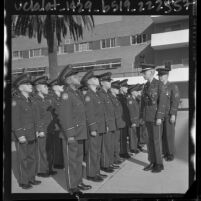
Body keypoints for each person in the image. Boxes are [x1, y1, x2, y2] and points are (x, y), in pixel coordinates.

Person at [57, 65, 92, 195]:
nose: (79, 78)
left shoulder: (76, 93)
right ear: (69, 80)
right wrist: (70, 135)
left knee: (78, 160)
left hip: (80, 133)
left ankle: (78, 182)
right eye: (76, 76)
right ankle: (72, 187)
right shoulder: (66, 95)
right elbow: (64, 117)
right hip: (71, 135)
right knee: (71, 161)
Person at [12, 73, 41, 189]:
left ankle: (31, 178)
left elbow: (36, 117)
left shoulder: (31, 100)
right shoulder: (16, 101)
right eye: (27, 84)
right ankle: (23, 181)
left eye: (30, 84)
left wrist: (38, 130)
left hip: (32, 133)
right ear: (20, 87)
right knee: (23, 159)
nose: (30, 86)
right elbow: (15, 119)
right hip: (23, 135)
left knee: (32, 157)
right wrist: (20, 135)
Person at [140, 63, 167, 173]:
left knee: (156, 140)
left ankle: (159, 163)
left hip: (156, 117)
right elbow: (143, 103)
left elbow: (162, 102)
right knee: (149, 141)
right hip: (147, 117)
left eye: (144, 72)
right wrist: (142, 116)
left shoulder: (159, 84)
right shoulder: (145, 86)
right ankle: (152, 161)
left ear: (151, 72)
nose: (143, 75)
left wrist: (159, 116)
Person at [81, 70, 108, 182]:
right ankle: (91, 174)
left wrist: (105, 125)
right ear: (90, 81)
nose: (98, 80)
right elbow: (89, 114)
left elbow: (101, 113)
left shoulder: (95, 94)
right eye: (96, 79)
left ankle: (96, 172)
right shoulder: (88, 96)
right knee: (92, 152)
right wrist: (92, 128)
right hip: (94, 129)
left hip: (99, 127)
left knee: (97, 152)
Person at [32, 76, 57, 177]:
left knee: (50, 150)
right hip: (43, 130)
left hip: (50, 129)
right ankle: (42, 170)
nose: (47, 88)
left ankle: (49, 168)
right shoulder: (35, 101)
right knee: (42, 151)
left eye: (47, 86)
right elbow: (36, 118)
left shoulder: (47, 99)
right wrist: (40, 130)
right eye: (44, 86)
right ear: (38, 88)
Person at [156, 64, 180, 161]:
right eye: (159, 76)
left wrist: (173, 114)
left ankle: (170, 153)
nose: (159, 77)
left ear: (166, 76)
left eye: (161, 76)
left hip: (169, 114)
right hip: (160, 114)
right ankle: (165, 152)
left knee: (169, 134)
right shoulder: (158, 87)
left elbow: (176, 101)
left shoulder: (173, 86)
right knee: (162, 134)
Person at [97, 72, 119, 173]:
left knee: (110, 144)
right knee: (105, 145)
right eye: (108, 81)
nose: (110, 83)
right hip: (106, 124)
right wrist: (106, 124)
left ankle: (109, 163)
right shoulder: (100, 94)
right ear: (102, 83)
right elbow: (102, 111)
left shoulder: (107, 94)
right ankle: (105, 164)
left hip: (111, 123)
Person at [47, 79, 65, 169]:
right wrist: (56, 124)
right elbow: (51, 113)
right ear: (55, 87)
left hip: (62, 123)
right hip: (55, 124)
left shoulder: (61, 97)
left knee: (61, 144)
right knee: (56, 144)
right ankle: (57, 162)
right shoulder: (51, 98)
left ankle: (61, 161)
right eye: (60, 85)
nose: (63, 87)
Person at [109, 81, 126, 164]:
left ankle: (117, 157)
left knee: (116, 141)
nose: (118, 90)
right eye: (116, 88)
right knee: (114, 142)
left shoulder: (115, 97)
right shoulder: (110, 98)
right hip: (114, 123)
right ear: (112, 89)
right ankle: (115, 158)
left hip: (118, 123)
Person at [118, 79, 132, 159]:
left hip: (125, 120)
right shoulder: (119, 97)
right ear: (121, 88)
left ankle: (124, 151)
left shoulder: (124, 97)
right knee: (122, 137)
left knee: (125, 137)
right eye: (126, 87)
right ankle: (122, 152)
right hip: (121, 120)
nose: (127, 89)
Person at [127, 84, 141, 154]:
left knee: (135, 135)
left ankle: (135, 146)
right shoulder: (130, 100)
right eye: (136, 91)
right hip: (133, 121)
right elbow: (131, 112)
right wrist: (133, 121)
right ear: (132, 92)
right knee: (132, 135)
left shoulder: (135, 99)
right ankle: (133, 148)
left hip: (136, 120)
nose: (137, 93)